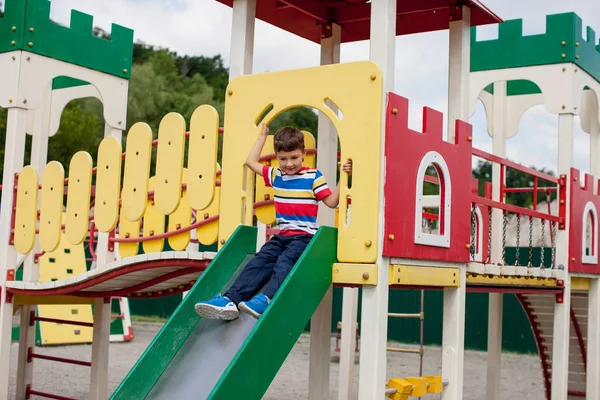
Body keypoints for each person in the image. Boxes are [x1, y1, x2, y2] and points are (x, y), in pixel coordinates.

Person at [194, 123, 352, 320]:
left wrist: (344, 177)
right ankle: (230, 300)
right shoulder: (276, 175)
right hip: (282, 236)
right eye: (283, 159)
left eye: (294, 157)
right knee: (258, 262)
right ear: (277, 157)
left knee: (284, 263)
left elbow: (331, 202)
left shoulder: (313, 176)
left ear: (303, 154)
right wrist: (262, 137)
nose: (289, 164)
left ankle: (266, 299)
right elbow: (251, 161)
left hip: (304, 238)